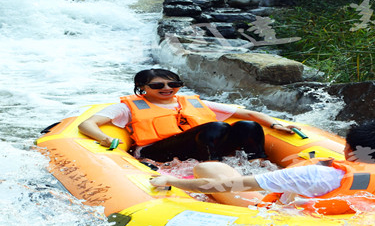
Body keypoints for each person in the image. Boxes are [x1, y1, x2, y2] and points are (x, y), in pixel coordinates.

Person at [149, 119, 375, 210]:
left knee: (209, 168)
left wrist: (170, 181)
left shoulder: (317, 174)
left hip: (288, 218)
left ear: (348, 147)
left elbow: (229, 184)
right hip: (357, 218)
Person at [78, 68, 296, 161]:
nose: (167, 88)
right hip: (157, 151)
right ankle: (214, 167)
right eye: (158, 85)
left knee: (246, 126)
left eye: (173, 83)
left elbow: (248, 113)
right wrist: (105, 139)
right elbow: (87, 124)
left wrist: (276, 126)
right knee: (218, 127)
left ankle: (257, 163)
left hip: (198, 145)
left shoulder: (191, 102)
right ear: (142, 87)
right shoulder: (128, 107)